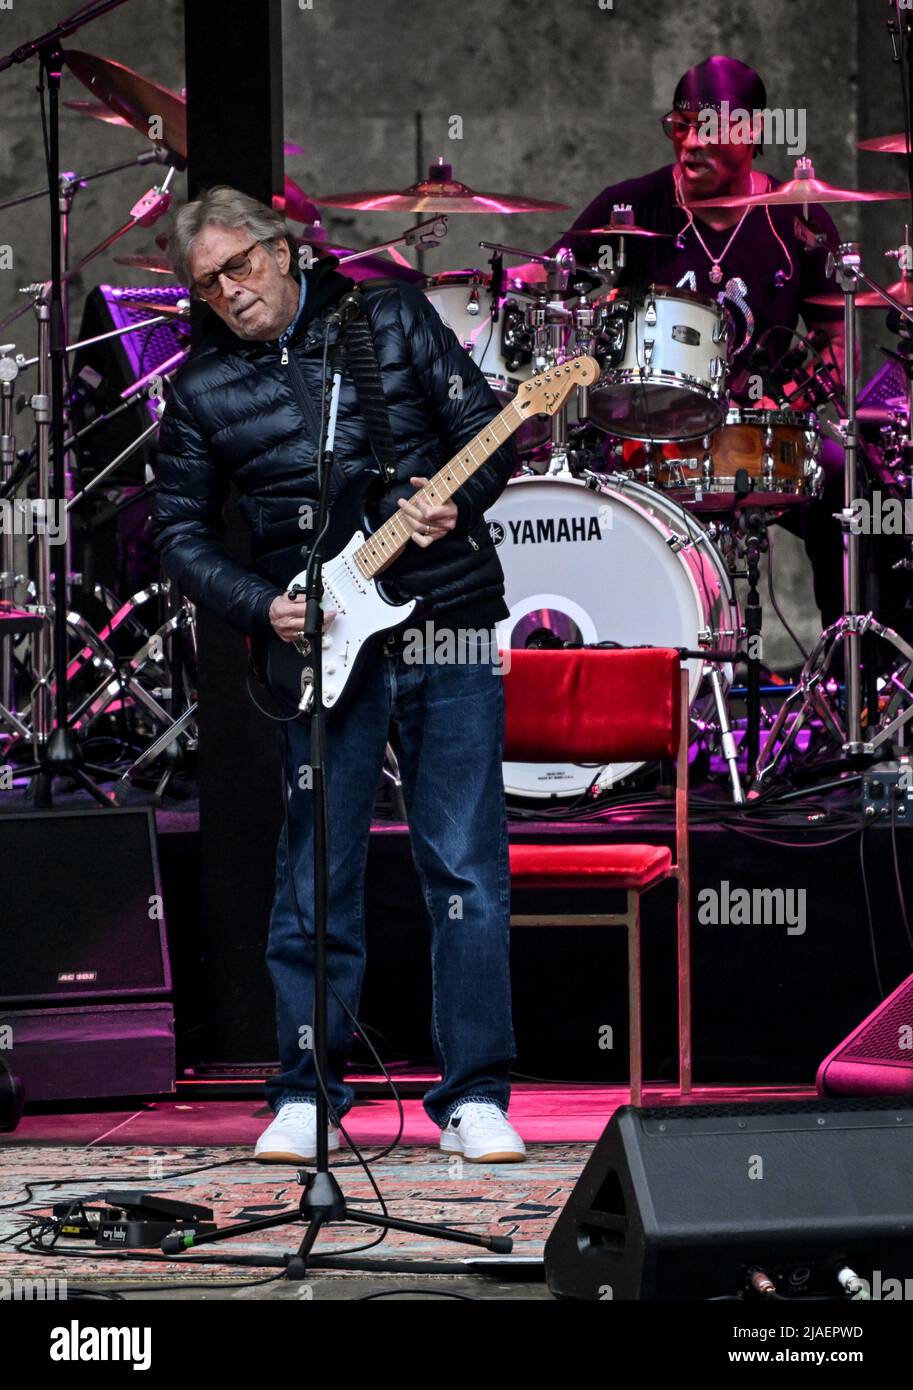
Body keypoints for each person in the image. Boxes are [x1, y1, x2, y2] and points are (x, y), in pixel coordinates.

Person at [151, 186, 526, 1164]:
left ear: (286, 249)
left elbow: (489, 430)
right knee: (317, 878)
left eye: (240, 267)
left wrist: (453, 503)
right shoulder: (197, 391)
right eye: (207, 284)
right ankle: (306, 1092)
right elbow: (178, 534)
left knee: (465, 872)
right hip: (319, 647)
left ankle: (476, 1097)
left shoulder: (388, 315)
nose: (228, 293)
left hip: (445, 624)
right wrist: (256, 603)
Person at [546, 55, 860, 634]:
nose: (690, 144)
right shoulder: (629, 207)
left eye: (709, 130)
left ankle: (853, 673)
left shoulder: (797, 220)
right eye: (681, 127)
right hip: (647, 441)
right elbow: (557, 294)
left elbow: (836, 337)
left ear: (752, 133)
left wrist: (792, 397)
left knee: (853, 485)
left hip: (755, 438)